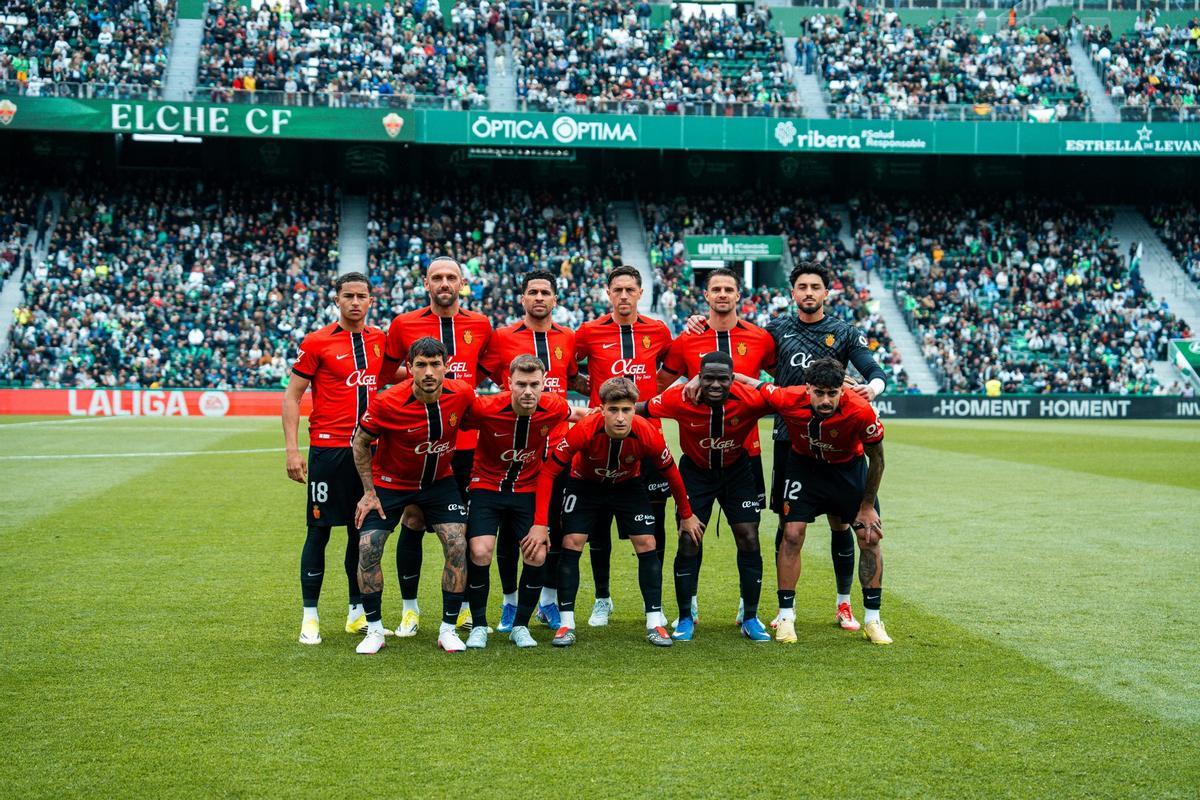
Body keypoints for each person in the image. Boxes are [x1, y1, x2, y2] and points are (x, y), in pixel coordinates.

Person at [529, 377, 704, 648]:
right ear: (601, 409)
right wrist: (540, 523)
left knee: (648, 542)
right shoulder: (584, 429)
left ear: (635, 409)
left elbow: (672, 473)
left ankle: (654, 621)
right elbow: (550, 472)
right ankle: (566, 623)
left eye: (626, 410)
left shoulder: (647, 432)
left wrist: (687, 514)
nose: (620, 417)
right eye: (613, 410)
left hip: (627, 485)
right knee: (571, 541)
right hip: (585, 484)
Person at [762, 264, 886, 630]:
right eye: (802, 287)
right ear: (793, 292)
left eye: (815, 286)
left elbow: (873, 370)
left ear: (826, 293)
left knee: (841, 524)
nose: (809, 292)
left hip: (837, 439)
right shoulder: (777, 331)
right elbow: (746, 354)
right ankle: (782, 609)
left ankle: (844, 603)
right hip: (790, 438)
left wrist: (872, 388)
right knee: (789, 526)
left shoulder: (844, 332)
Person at [741, 358, 891, 645]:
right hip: (805, 469)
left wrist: (868, 505)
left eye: (832, 394)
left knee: (869, 537)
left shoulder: (860, 411)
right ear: (807, 388)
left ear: (842, 391)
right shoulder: (787, 397)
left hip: (848, 470)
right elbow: (751, 382)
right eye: (818, 393)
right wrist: (702, 378)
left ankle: (873, 619)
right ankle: (786, 616)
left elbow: (878, 460)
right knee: (792, 534)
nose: (825, 400)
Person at [379, 257, 492, 636]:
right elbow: (385, 372)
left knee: (460, 529)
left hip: (467, 445)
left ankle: (459, 609)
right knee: (412, 520)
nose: (444, 283)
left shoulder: (480, 324)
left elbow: (495, 371)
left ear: (462, 283)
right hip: (420, 444)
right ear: (426, 283)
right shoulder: (404, 324)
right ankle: (410, 609)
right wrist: (427, 380)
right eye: (437, 277)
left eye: (451, 278)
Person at [658, 268, 776, 626]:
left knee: (748, 534)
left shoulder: (761, 338)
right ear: (706, 296)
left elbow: (781, 382)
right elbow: (659, 384)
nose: (722, 294)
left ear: (739, 295)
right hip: (698, 456)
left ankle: (748, 609)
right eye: (716, 289)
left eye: (729, 289)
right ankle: (687, 607)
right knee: (690, 533)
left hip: (746, 454)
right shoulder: (687, 339)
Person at [350, 338, 475, 655]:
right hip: (391, 482)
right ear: (409, 368)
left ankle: (447, 629)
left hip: (439, 481)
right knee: (367, 546)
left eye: (436, 364)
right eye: (421, 364)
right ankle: (375, 629)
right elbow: (360, 443)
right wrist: (368, 492)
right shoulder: (387, 402)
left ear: (446, 366)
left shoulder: (461, 394)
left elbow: (487, 420)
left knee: (458, 543)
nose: (429, 372)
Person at [639, 351, 774, 642]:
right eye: (708, 377)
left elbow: (789, 399)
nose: (715, 384)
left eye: (722, 379)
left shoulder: (750, 398)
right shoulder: (679, 399)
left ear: (732, 378)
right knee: (689, 539)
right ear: (699, 377)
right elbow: (640, 408)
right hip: (696, 473)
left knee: (749, 537)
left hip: (738, 471)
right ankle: (686, 616)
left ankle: (750, 616)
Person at [283, 272, 385, 645]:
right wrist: (293, 450)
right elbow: (292, 397)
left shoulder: (379, 341)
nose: (355, 302)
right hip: (328, 452)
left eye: (361, 296)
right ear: (336, 300)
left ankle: (356, 613)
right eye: (348, 296)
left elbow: (394, 375)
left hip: (370, 453)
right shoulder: (317, 343)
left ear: (370, 301)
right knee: (320, 531)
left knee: (362, 533)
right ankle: (310, 616)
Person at [478, 270, 584, 629]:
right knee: (510, 535)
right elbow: (490, 382)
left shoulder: (569, 338)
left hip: (559, 451)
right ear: (522, 298)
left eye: (545, 292)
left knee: (553, 528)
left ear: (555, 299)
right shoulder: (502, 337)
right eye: (532, 292)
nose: (539, 298)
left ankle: (549, 602)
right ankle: (510, 603)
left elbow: (575, 377)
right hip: (517, 450)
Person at [460, 354, 584, 649]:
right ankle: (478, 624)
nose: (528, 391)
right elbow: (454, 420)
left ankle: (520, 626)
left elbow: (579, 415)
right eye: (521, 384)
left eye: (534, 384)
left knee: (537, 553)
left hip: (527, 490)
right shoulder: (485, 408)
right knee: (480, 551)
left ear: (544, 384)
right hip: (486, 487)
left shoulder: (553, 406)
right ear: (508, 384)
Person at [574, 265, 673, 627]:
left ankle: (656, 603)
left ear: (640, 293)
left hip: (647, 439)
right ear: (608, 293)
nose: (624, 296)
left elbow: (672, 367)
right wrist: (596, 393)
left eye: (630, 289)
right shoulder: (588, 331)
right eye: (618, 290)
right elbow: (569, 369)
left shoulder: (658, 330)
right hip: (601, 439)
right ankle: (602, 599)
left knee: (653, 525)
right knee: (598, 526)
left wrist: (648, 397)